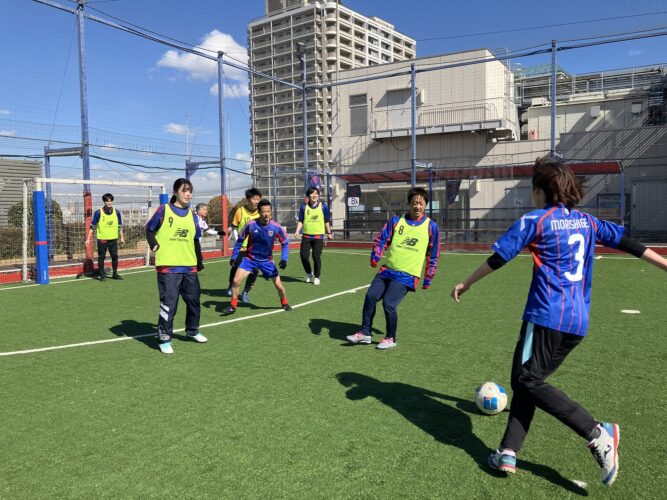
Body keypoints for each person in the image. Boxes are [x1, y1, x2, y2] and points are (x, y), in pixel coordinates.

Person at [451, 156, 667, 486]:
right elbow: (631, 245)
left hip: (545, 316)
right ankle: (508, 450)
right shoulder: (587, 221)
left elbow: (500, 257)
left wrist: (466, 282)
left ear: (540, 190)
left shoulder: (536, 220)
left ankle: (597, 432)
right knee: (529, 381)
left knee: (526, 379)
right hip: (577, 322)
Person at [346, 187, 440, 350]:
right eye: (414, 203)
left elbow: (433, 254)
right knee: (370, 297)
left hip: (407, 275)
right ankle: (365, 333)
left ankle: (390, 338)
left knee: (389, 304)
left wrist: (428, 277)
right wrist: (376, 255)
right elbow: (382, 239)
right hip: (387, 270)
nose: (417, 206)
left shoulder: (431, 226)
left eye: (421, 203)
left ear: (425, 205)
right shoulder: (396, 221)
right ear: (409, 203)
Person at [145, 178, 208, 355]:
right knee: (169, 304)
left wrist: (199, 261)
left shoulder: (193, 216)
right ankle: (164, 338)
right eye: (184, 191)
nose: (188, 194)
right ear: (175, 192)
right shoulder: (164, 210)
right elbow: (149, 229)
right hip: (168, 268)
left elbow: (195, 240)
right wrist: (153, 244)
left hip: (189, 267)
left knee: (194, 301)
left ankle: (192, 330)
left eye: (190, 191)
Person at [223, 199, 292, 314]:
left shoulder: (276, 227)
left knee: (279, 286)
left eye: (268, 211)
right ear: (259, 212)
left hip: (267, 261)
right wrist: (234, 256)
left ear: (271, 212)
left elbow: (285, 243)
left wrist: (284, 259)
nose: (266, 214)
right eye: (263, 211)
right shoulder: (250, 225)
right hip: (249, 259)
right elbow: (239, 241)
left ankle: (284, 302)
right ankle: (233, 305)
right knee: (235, 281)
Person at [226, 188, 262, 303]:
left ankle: (245, 292)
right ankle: (231, 284)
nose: (257, 201)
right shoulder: (240, 211)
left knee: (255, 271)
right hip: (242, 247)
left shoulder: (261, 212)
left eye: (259, 199)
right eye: (254, 199)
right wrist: (238, 241)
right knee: (236, 266)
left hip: (255, 249)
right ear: (248, 199)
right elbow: (234, 227)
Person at [294, 187, 333, 285]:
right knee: (303, 256)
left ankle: (317, 277)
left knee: (316, 257)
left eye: (316, 193)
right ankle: (309, 273)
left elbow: (326, 221)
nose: (314, 195)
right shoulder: (304, 207)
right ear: (308, 196)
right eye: (312, 193)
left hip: (318, 237)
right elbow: (301, 221)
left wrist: (329, 232)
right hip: (306, 236)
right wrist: (297, 231)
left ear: (318, 195)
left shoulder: (323, 207)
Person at [85, 193, 125, 280]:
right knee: (101, 257)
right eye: (107, 201)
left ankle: (115, 274)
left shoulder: (117, 212)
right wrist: (88, 239)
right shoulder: (98, 213)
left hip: (113, 239)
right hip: (102, 239)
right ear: (104, 202)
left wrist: (122, 237)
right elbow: (92, 226)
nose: (109, 203)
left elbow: (119, 226)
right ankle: (102, 275)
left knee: (115, 256)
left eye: (110, 201)